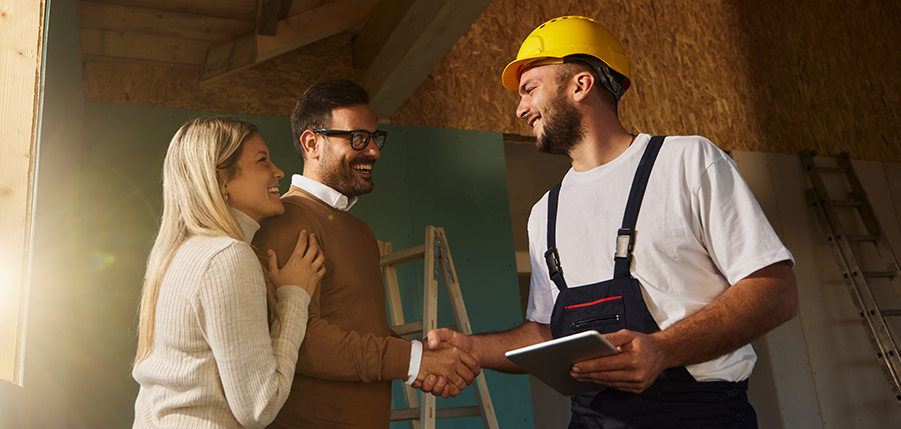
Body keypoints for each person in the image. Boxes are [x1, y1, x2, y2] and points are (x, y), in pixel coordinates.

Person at [419, 16, 799, 428]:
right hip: (592, 419)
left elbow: (776, 290)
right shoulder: (546, 213)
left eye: (530, 89)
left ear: (580, 85)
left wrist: (663, 350)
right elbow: (547, 334)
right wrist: (472, 349)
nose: (520, 108)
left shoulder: (687, 162)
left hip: (699, 415)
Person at [253, 80, 480, 428]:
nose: (373, 151)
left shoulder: (359, 231)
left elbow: (360, 333)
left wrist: (428, 361)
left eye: (376, 138)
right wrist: (414, 360)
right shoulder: (286, 220)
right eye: (358, 138)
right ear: (312, 143)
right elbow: (297, 340)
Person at [132, 116, 326, 429]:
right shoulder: (227, 257)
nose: (278, 171)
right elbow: (259, 406)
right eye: (262, 160)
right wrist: (294, 298)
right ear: (221, 179)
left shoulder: (181, 253)